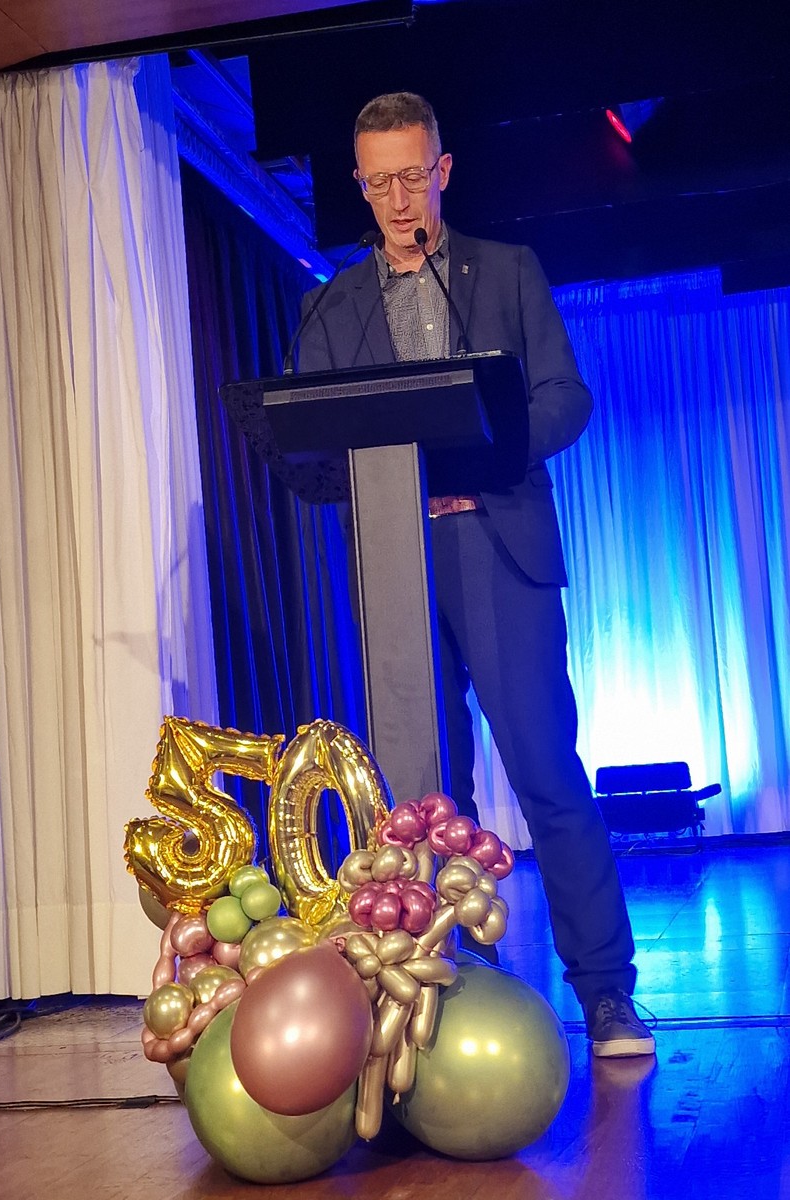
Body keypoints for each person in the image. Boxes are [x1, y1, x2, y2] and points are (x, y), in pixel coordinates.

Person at [297, 92, 654, 1058]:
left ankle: (607, 994)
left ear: (443, 171)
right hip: (398, 564)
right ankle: (442, 1002)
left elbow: (565, 397)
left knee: (545, 773)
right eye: (380, 182)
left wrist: (488, 447)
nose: (399, 199)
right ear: (360, 185)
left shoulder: (506, 271)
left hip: (497, 544)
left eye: (414, 176)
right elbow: (308, 442)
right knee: (423, 799)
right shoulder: (331, 308)